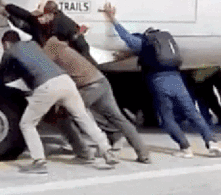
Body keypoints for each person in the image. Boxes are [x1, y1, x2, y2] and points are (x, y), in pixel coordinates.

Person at [0, 31, 119, 174]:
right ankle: (106, 150)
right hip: (66, 82)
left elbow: (0, 72)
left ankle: (39, 161)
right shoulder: (33, 46)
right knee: (83, 117)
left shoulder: (11, 51)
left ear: (6, 43)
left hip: (47, 87)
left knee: (27, 124)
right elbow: (20, 73)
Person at [101, 3, 221, 158]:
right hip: (176, 80)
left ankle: (185, 148)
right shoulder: (167, 42)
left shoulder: (144, 42)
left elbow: (126, 37)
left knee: (166, 119)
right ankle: (212, 143)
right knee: (193, 113)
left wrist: (112, 19)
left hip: (159, 81)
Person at [40, 36, 152, 164]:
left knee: (63, 114)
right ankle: (143, 153)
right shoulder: (62, 46)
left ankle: (83, 152)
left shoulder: (50, 49)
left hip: (88, 87)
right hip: (101, 81)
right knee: (118, 118)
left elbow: (41, 71)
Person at [37, 0, 98, 66]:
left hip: (79, 51)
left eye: (41, 16)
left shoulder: (58, 25)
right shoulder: (57, 18)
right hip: (78, 49)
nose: (39, 18)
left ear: (50, 14)